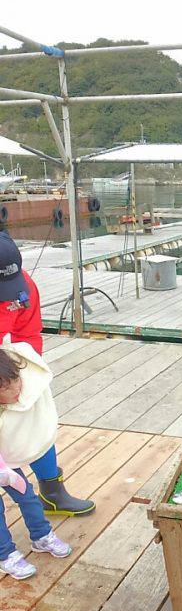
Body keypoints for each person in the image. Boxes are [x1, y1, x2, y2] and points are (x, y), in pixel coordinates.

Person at [0, 229, 95, 516]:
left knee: (36, 419)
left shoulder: (21, 285)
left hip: (9, 361)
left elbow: (29, 332)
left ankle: (53, 493)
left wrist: (25, 376)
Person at [0, 344, 72, 579]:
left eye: (16, 381)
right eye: (8, 388)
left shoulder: (18, 384)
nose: (17, 389)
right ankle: (5, 554)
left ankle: (41, 536)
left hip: (5, 463)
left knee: (28, 496)